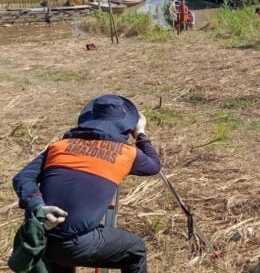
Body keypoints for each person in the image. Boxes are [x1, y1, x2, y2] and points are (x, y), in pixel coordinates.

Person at [11, 94, 162, 272]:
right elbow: (154, 166)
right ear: (127, 127)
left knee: (63, 253)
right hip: (71, 245)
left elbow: (22, 178)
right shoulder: (127, 153)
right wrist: (141, 133)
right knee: (135, 249)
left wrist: (38, 206)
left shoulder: (59, 146)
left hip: (39, 236)